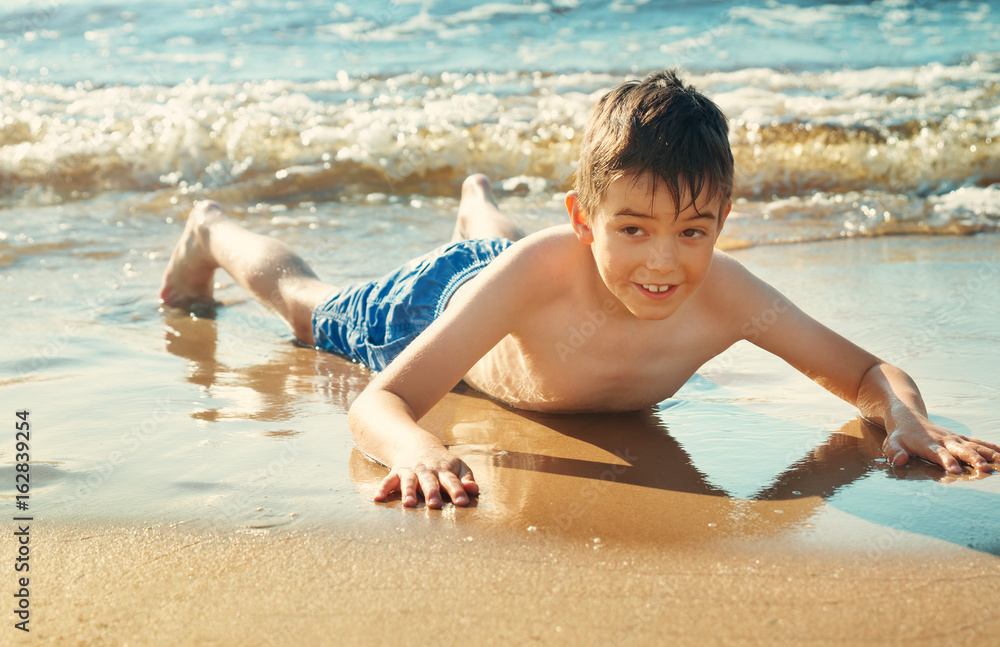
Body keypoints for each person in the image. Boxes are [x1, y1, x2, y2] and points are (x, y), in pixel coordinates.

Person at [160, 70, 1000, 509]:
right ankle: (211, 229)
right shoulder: (543, 266)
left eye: (693, 231)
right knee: (311, 309)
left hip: (516, 273)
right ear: (584, 218)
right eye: (631, 228)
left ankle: (478, 207)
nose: (664, 263)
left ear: (722, 219)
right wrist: (417, 450)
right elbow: (379, 403)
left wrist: (909, 419)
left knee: (501, 251)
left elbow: (865, 372)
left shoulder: (729, 293)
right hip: (444, 301)